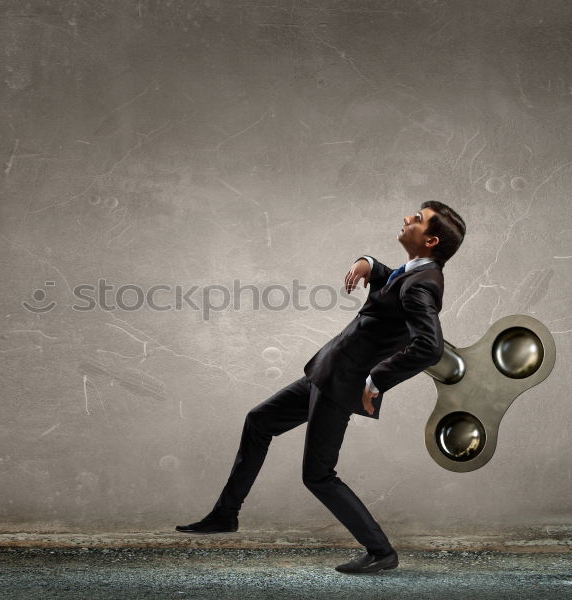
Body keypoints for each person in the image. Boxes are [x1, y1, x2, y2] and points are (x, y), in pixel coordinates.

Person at [176, 201, 466, 574]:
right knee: (259, 421)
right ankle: (225, 514)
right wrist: (367, 261)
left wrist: (376, 380)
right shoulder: (414, 272)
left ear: (431, 240)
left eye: (419, 219)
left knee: (318, 476)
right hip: (326, 374)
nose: (408, 217)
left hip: (341, 385)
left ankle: (381, 552)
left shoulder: (422, 286)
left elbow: (429, 346)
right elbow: (389, 279)